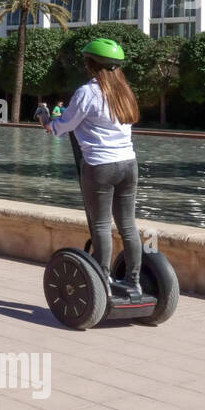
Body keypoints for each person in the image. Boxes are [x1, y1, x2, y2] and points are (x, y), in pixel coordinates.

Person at [42, 37, 142, 298]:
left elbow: (64, 127)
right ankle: (134, 282)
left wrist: (47, 122)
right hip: (129, 164)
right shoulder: (125, 92)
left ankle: (103, 282)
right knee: (128, 226)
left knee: (100, 226)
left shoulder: (87, 92)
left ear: (91, 65)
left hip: (100, 166)